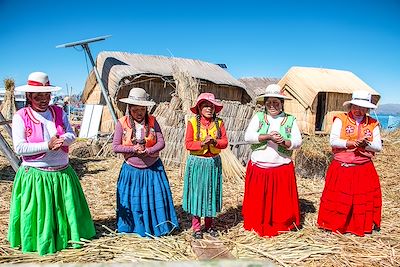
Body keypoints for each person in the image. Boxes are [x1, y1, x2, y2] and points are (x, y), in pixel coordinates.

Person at [8, 71, 95, 255]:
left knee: (65, 212)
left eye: (46, 95)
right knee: (40, 216)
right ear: (29, 96)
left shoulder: (58, 112)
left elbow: (71, 134)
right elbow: (19, 148)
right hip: (36, 176)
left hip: (62, 173)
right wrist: (47, 145)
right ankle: (42, 242)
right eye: (38, 96)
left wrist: (62, 141)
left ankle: (66, 238)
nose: (43, 99)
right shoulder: (21, 116)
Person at [112, 87, 178, 236]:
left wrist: (148, 151)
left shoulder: (153, 122)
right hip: (131, 171)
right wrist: (133, 150)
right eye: (135, 110)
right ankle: (135, 227)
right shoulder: (122, 123)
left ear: (146, 108)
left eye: (142, 109)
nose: (139, 113)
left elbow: (161, 142)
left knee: (155, 200)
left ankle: (157, 226)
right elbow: (116, 147)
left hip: (153, 169)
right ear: (129, 108)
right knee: (134, 200)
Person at [317, 90, 382, 236]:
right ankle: (334, 225)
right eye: (356, 107)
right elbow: (333, 140)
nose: (359, 111)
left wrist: (365, 145)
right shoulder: (341, 119)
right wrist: (351, 143)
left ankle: (359, 226)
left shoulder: (372, 123)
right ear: (351, 106)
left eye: (363, 108)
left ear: (367, 109)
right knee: (340, 198)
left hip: (363, 168)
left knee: (361, 199)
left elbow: (378, 146)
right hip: (342, 167)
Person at [242, 84, 302, 237]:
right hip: (259, 168)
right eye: (269, 102)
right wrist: (267, 136)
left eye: (276, 102)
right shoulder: (259, 117)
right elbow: (248, 137)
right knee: (258, 201)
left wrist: (283, 141)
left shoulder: (290, 120)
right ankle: (257, 222)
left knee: (280, 203)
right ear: (265, 103)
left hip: (281, 167)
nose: (272, 106)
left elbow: (297, 142)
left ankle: (281, 224)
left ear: (282, 103)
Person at [182, 92, 228, 239]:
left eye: (211, 106)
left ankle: (209, 225)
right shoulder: (192, 123)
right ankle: (196, 227)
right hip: (198, 163)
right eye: (206, 105)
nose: (209, 108)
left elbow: (225, 142)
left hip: (213, 163)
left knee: (211, 193)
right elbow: (188, 144)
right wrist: (202, 143)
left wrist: (214, 142)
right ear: (200, 107)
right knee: (197, 194)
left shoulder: (219, 123)